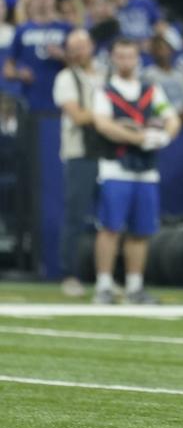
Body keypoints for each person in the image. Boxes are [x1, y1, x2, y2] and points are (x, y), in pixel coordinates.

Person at [90, 37, 180, 304]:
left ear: (137, 59)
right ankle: (104, 284)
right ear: (113, 59)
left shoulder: (151, 91)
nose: (126, 61)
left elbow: (172, 118)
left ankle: (134, 285)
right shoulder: (104, 91)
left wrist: (164, 137)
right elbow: (103, 124)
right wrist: (140, 138)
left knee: (141, 230)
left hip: (146, 170)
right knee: (110, 227)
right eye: (120, 56)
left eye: (130, 56)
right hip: (115, 167)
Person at [52, 28, 105, 297]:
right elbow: (78, 116)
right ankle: (69, 274)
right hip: (80, 154)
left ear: (92, 46)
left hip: (109, 154)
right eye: (72, 48)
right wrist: (111, 121)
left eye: (82, 46)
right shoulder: (66, 77)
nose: (77, 52)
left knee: (110, 219)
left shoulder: (105, 75)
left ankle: (106, 277)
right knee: (75, 216)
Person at [3, 0, 71, 112]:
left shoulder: (66, 28)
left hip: (60, 98)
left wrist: (63, 55)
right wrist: (19, 74)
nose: (43, 2)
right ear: (32, 0)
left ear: (54, 0)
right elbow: (7, 70)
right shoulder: (22, 30)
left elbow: (80, 64)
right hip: (29, 99)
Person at [142, 29, 183, 116]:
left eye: (166, 48)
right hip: (162, 118)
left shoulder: (180, 74)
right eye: (159, 49)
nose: (163, 52)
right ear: (153, 52)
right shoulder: (148, 75)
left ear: (171, 50)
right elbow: (149, 103)